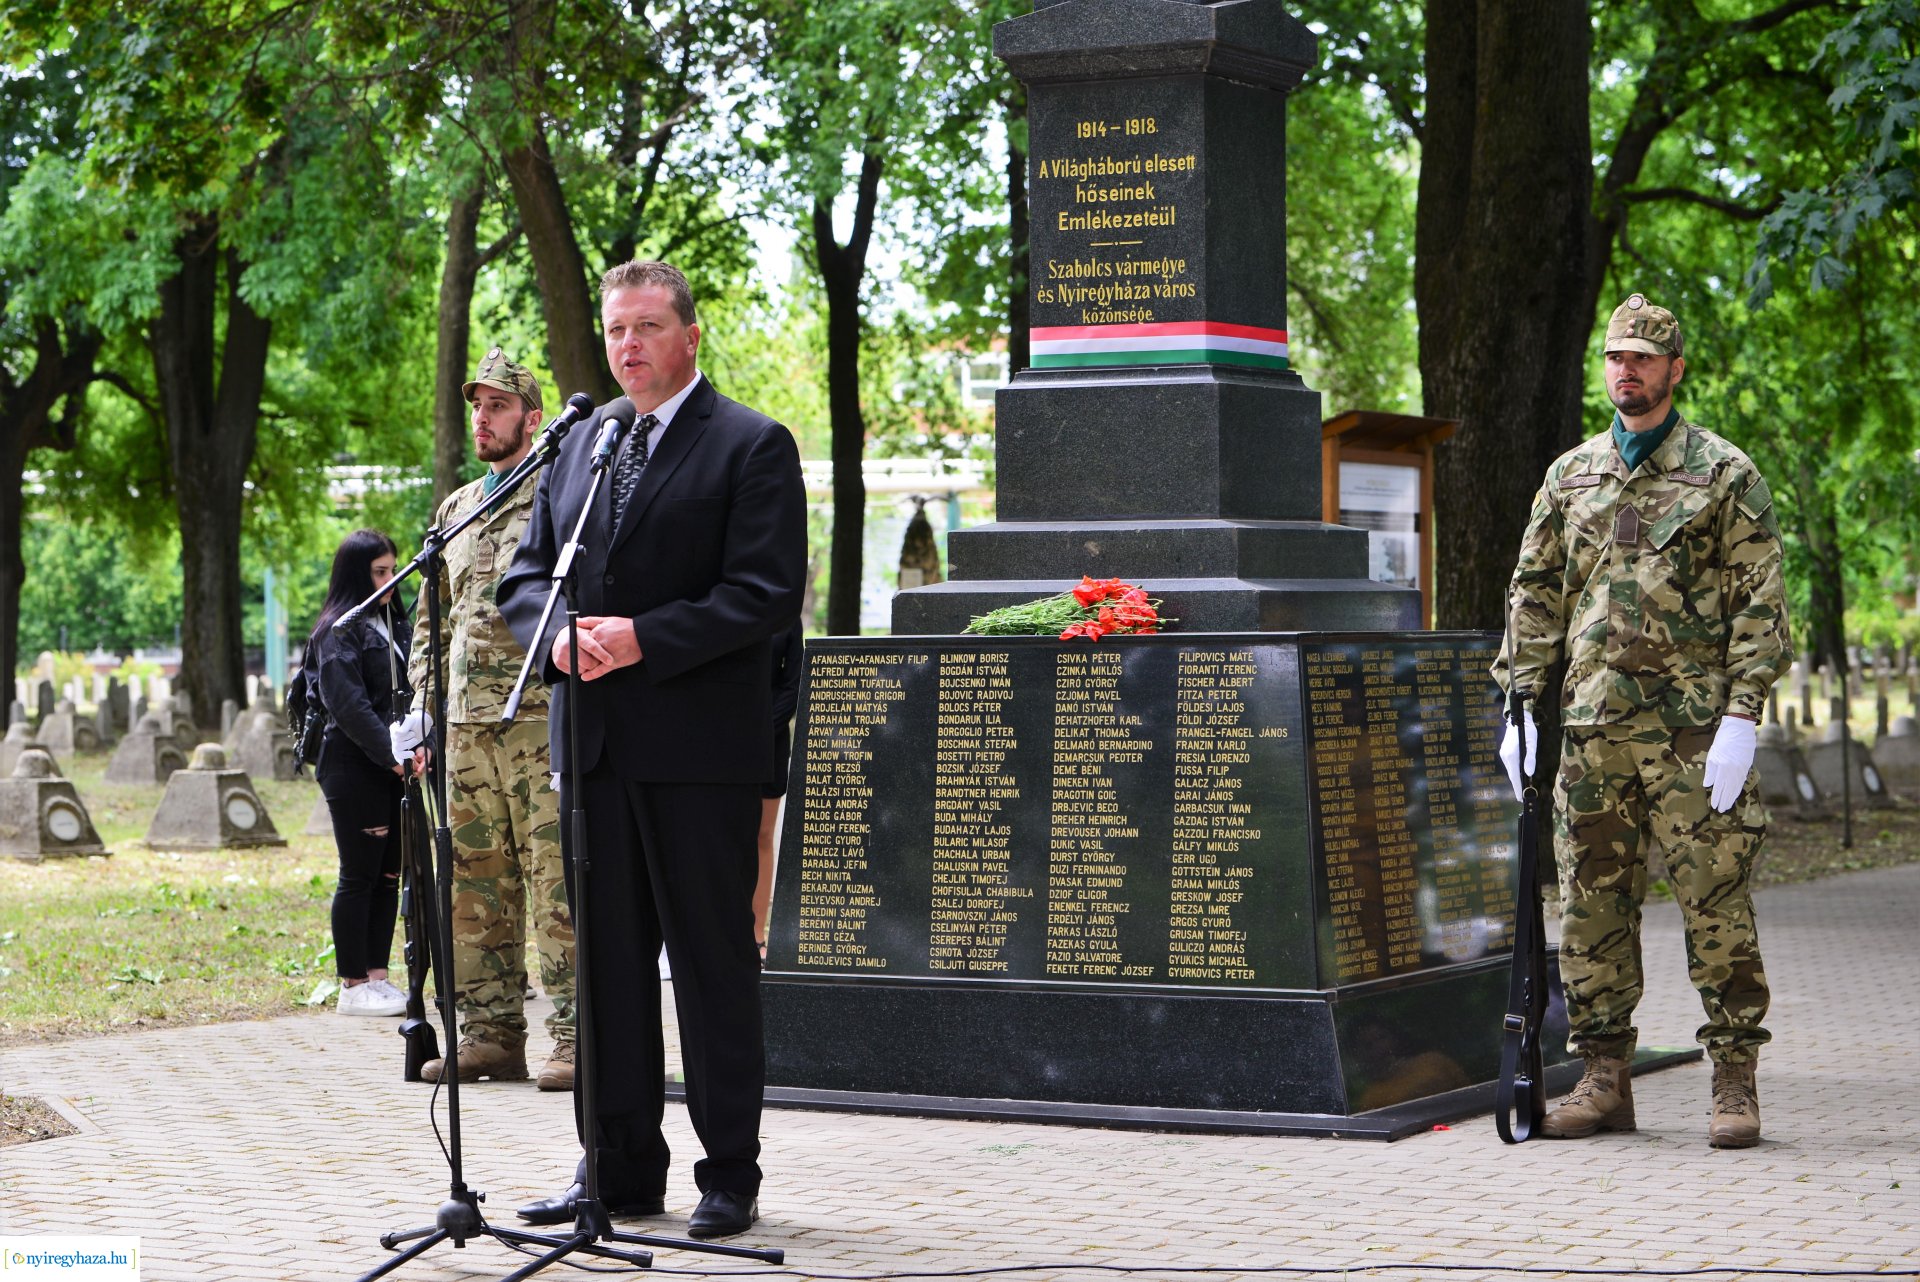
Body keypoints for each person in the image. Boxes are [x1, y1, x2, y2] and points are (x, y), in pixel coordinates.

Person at [498, 260, 806, 1239]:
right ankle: (617, 1171)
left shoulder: (751, 446)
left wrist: (642, 637)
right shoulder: (581, 444)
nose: (627, 346)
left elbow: (762, 594)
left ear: (690, 336)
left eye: (646, 327)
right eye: (616, 329)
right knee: (608, 969)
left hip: (699, 754)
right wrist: (549, 637)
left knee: (713, 968)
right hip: (594, 750)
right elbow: (525, 573)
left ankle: (729, 1175)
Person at [1493, 293, 1791, 1148]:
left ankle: (1734, 1081)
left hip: (1694, 736)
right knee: (1591, 911)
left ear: (1675, 369)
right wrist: (1519, 705)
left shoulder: (1724, 473)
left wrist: (1743, 715)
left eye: (1644, 358)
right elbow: (1535, 594)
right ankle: (1603, 1078)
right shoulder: (1570, 476)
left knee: (1717, 906)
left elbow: (1759, 604)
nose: (1627, 371)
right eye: (1616, 358)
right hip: (1590, 732)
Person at [397, 349, 577, 1090]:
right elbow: (431, 621)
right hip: (465, 727)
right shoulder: (458, 506)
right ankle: (491, 1036)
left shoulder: (561, 492)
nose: (483, 417)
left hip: (537, 719)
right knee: (476, 885)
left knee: (556, 879)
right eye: (477, 405)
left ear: (533, 419)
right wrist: (420, 710)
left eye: (498, 406)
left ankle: (574, 1038)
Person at [306, 528, 412, 1018]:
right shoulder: (339, 629)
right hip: (352, 764)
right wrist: (392, 753)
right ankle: (351, 985)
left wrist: (417, 746)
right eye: (380, 572)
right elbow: (347, 705)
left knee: (389, 874)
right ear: (356, 573)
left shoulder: (392, 621)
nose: (392, 580)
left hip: (394, 763)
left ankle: (377, 976)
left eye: (393, 569)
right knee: (360, 873)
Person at [753, 621, 804, 962]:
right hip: (713, 739)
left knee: (761, 835)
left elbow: (794, 683)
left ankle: (756, 933)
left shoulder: (784, 616)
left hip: (768, 741)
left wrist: (758, 731)